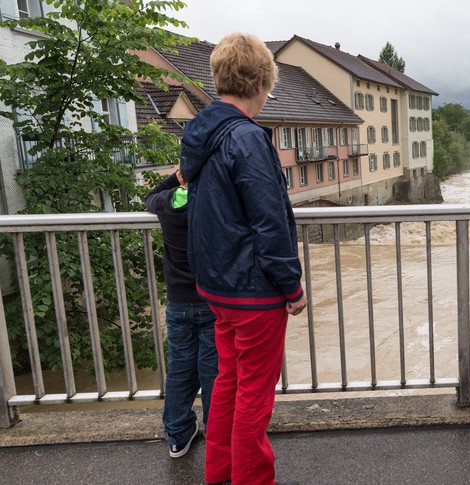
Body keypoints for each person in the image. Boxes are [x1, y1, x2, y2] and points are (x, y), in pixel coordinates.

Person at [179, 32, 308, 485]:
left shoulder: (201, 134)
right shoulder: (248, 139)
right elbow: (269, 222)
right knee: (254, 398)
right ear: (261, 83)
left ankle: (221, 476)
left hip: (217, 288)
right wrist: (291, 287)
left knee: (228, 389)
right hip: (253, 291)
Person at [145, 170, 218, 459]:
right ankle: (216, 431)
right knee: (214, 371)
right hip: (211, 301)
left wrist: (178, 176)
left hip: (177, 303)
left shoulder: (166, 203)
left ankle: (176, 433)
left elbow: (147, 196)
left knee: (179, 368)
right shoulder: (213, 205)